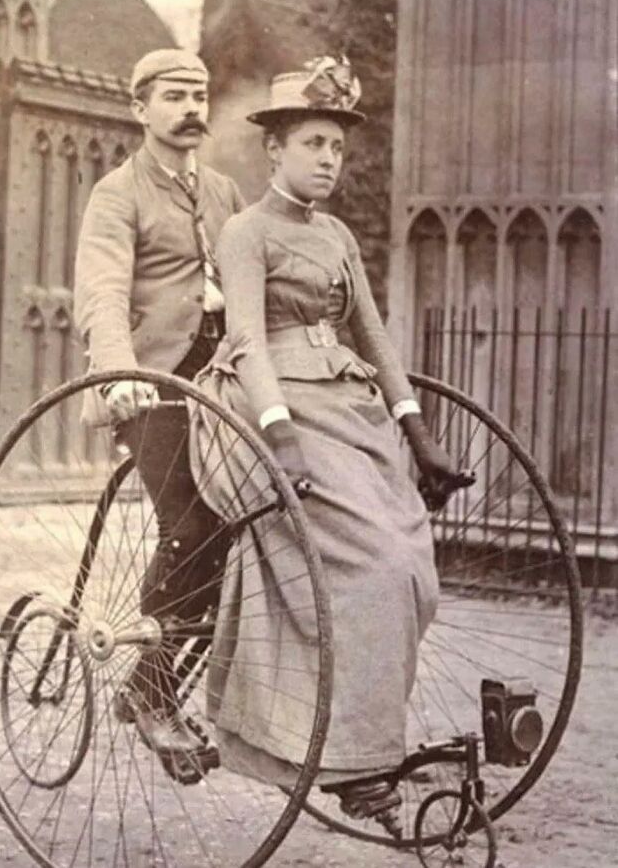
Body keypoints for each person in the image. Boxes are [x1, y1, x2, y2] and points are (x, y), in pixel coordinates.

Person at [188, 56, 472, 830]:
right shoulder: (246, 233)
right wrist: (279, 436)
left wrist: (419, 432)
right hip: (268, 408)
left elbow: (375, 338)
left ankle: (365, 741)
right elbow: (245, 339)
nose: (327, 160)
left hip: (349, 412)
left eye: (337, 148)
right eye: (313, 142)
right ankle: (352, 763)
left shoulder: (339, 235)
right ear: (273, 149)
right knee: (370, 566)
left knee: (411, 564)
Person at [73, 48, 245, 763]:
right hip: (154, 385)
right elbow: (103, 290)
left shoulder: (228, 192)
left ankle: (154, 681)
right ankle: (151, 690)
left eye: (200, 95)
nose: (192, 109)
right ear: (139, 108)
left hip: (223, 386)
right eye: (175, 96)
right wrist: (118, 374)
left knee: (247, 528)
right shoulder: (118, 193)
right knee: (193, 523)